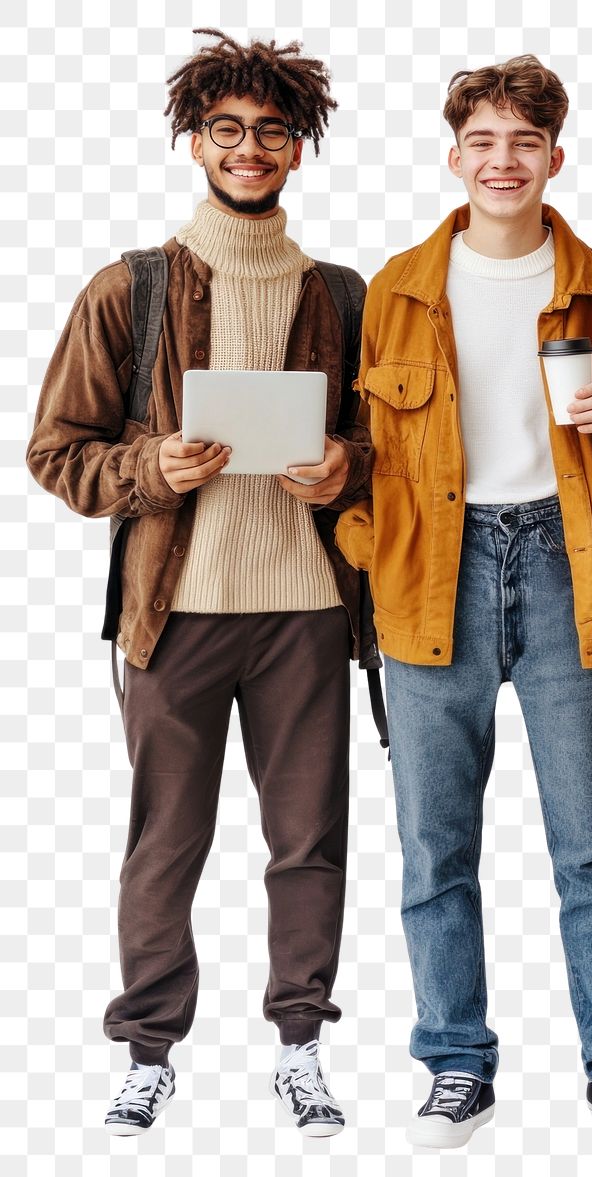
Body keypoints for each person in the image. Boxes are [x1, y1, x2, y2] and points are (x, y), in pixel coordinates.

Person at [26, 29, 372, 1138]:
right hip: (172, 611)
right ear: (193, 141)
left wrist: (345, 467)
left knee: (308, 838)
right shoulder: (128, 287)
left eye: (272, 131)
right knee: (165, 838)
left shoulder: (344, 293)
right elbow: (54, 452)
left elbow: (384, 446)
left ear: (299, 150)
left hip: (309, 612)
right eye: (227, 130)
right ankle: (146, 1049)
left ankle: (303, 1045)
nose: (249, 148)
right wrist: (147, 468)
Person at [335, 55, 592, 1149]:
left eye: (524, 142)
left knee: (589, 846)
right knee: (436, 850)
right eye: (482, 141)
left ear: (555, 158)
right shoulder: (394, 287)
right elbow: (355, 455)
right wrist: (367, 548)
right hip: (433, 576)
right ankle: (453, 1063)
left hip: (570, 568)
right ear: (454, 157)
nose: (503, 160)